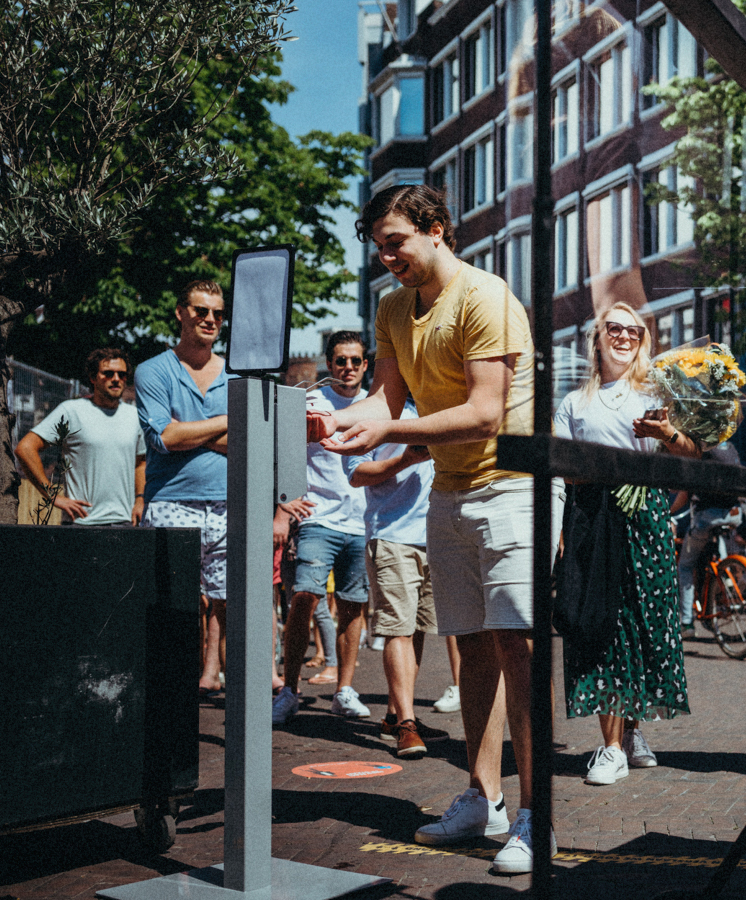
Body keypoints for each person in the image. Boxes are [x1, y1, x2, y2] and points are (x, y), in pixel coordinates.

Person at [308, 184, 563, 875]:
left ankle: (537, 815)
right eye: (379, 245)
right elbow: (384, 398)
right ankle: (484, 798)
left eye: (397, 241)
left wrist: (385, 430)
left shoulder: (486, 297)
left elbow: (484, 412)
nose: (387, 256)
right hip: (450, 489)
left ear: (438, 230)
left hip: (514, 484)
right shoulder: (393, 307)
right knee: (472, 647)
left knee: (520, 648)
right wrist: (334, 420)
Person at [553, 302, 694, 786]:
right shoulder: (574, 403)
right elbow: (560, 466)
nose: (623, 337)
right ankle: (610, 745)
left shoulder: (657, 392)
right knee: (604, 624)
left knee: (643, 625)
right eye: (613, 328)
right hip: (594, 517)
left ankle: (630, 733)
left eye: (633, 331)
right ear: (597, 338)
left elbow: (691, 453)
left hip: (647, 519)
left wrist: (666, 432)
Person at [136, 280, 233, 697]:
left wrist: (188, 431)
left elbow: (250, 443)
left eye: (217, 313)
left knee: (225, 599)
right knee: (174, 603)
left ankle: (209, 673)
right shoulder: (153, 370)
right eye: (200, 311)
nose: (210, 319)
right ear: (180, 313)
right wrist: (230, 422)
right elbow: (164, 439)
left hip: (230, 501)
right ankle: (170, 686)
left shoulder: (236, 370)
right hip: (173, 500)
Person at [272, 332, 374, 725]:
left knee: (351, 605)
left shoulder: (376, 404)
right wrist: (283, 504)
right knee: (305, 598)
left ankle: (344, 690)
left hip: (361, 519)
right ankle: (290, 692)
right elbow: (283, 452)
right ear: (328, 364)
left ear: (365, 365)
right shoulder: (311, 402)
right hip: (317, 517)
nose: (348, 367)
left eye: (355, 361)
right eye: (340, 360)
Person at [345, 398, 449, 757]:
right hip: (392, 535)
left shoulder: (438, 399)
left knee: (416, 629)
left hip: (435, 532)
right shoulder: (370, 410)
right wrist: (406, 459)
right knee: (398, 629)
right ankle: (406, 723)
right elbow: (356, 474)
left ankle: (395, 715)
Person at [17, 348, 146, 527]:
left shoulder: (134, 416)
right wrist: (52, 495)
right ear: (93, 378)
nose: (116, 379)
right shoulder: (72, 411)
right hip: (81, 523)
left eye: (122, 375)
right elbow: (25, 448)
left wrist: (140, 499)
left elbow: (140, 462)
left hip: (124, 523)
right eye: (108, 373)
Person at [674, 442, 743, 638]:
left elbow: (684, 495)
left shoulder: (699, 452)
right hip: (733, 514)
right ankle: (722, 575)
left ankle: (686, 623)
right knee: (712, 552)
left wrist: (667, 513)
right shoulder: (730, 447)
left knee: (686, 566)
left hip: (707, 517)